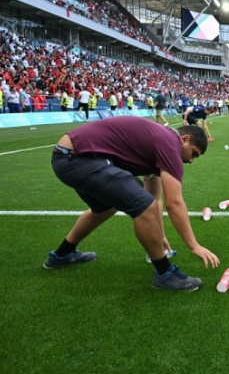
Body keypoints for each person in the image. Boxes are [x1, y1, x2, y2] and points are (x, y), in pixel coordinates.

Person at [44, 117, 219, 291]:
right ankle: (165, 273)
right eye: (193, 153)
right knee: (144, 206)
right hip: (78, 158)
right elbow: (173, 203)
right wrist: (194, 245)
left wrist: (159, 235)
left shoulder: (161, 140)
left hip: (72, 157)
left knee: (105, 208)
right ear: (184, 139)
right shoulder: (170, 143)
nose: (191, 161)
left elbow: (153, 196)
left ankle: (62, 254)